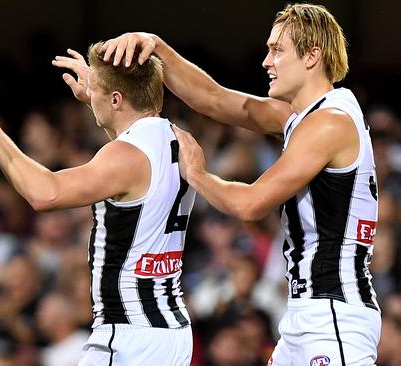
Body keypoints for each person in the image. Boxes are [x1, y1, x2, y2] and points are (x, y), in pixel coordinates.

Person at [102, 3, 380, 365]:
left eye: (277, 50)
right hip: (310, 312)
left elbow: (250, 204)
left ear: (313, 56)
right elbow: (214, 99)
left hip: (334, 314)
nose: (267, 61)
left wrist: (198, 174)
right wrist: (156, 46)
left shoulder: (328, 124)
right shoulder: (309, 116)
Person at [0, 42, 196, 366]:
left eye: (96, 90)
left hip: (129, 334)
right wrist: (99, 98)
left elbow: (44, 193)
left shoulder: (125, 156)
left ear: (117, 99)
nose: (88, 94)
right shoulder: (180, 139)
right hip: (171, 331)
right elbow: (134, 172)